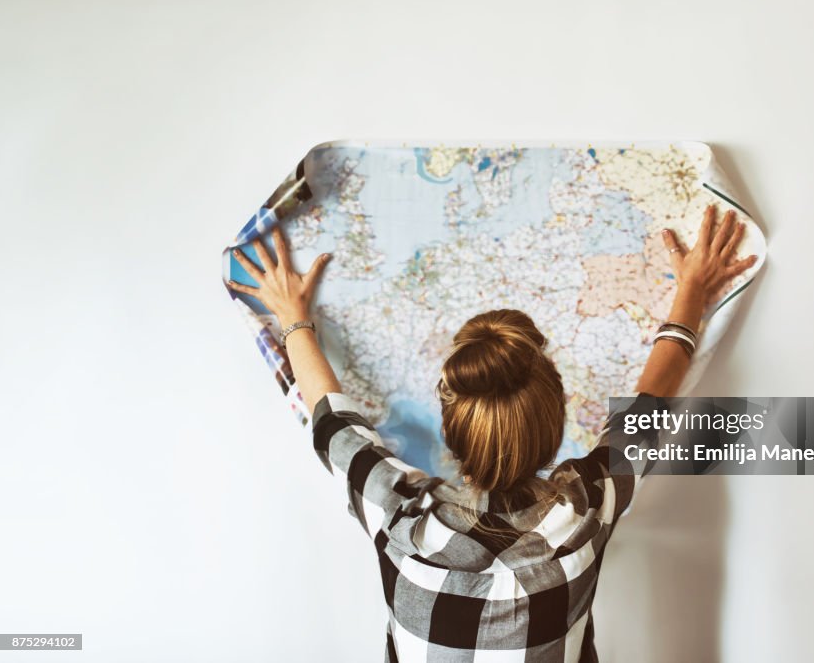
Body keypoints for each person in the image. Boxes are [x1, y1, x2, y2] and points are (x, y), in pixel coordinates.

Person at [227, 205, 756, 662]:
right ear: (554, 424)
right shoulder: (585, 511)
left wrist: (293, 318)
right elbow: (650, 408)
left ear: (452, 426)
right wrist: (691, 291)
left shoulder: (398, 515)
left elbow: (330, 421)